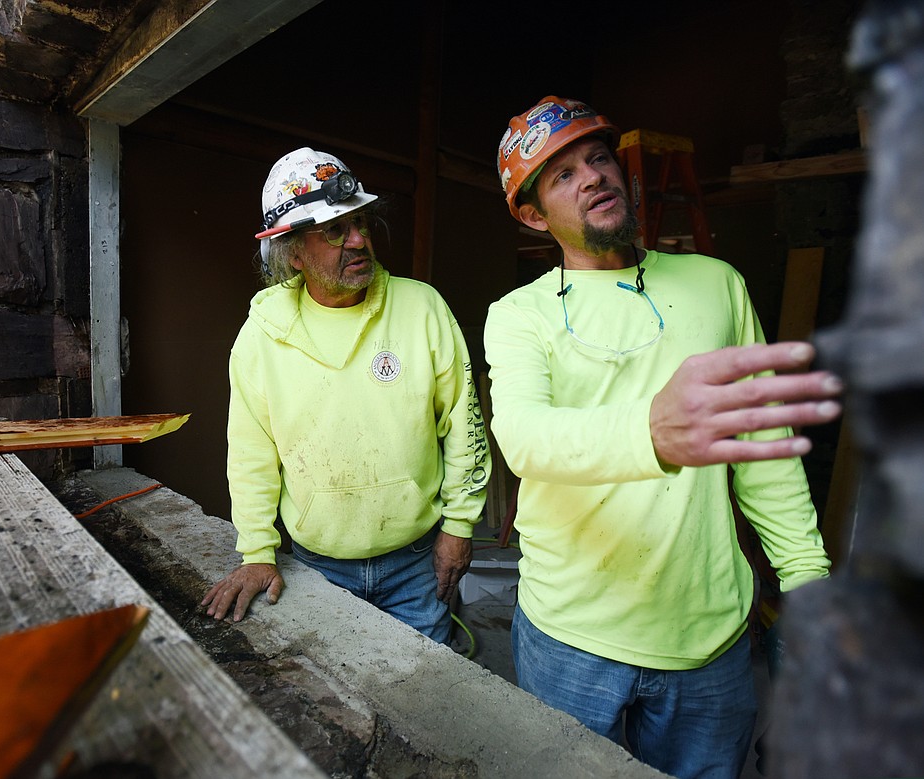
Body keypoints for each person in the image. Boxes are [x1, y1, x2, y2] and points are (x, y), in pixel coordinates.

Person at [483, 96, 844, 778]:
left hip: (706, 642)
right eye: (563, 176)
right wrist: (652, 431)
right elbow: (526, 438)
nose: (593, 176)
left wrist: (806, 576)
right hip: (570, 637)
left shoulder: (717, 284)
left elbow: (764, 446)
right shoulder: (518, 315)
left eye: (598, 159)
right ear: (533, 214)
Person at [202, 147, 491, 644]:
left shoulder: (422, 308)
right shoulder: (262, 336)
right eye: (335, 230)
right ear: (292, 251)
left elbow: (464, 426)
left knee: (427, 699)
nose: (359, 241)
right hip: (316, 565)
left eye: (361, 224)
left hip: (418, 561)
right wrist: (257, 553)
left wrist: (459, 527)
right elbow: (251, 454)